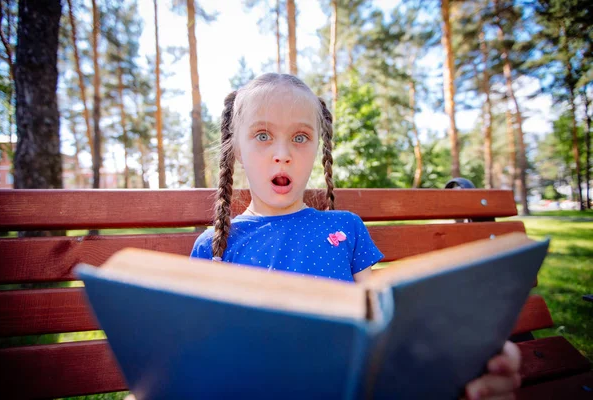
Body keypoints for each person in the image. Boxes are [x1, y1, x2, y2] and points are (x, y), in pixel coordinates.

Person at [190, 73, 521, 400]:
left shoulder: (344, 228)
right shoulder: (216, 246)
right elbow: (199, 357)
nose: (283, 153)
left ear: (319, 146)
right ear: (235, 149)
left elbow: (380, 322)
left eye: (300, 137)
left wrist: (463, 357)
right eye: (262, 136)